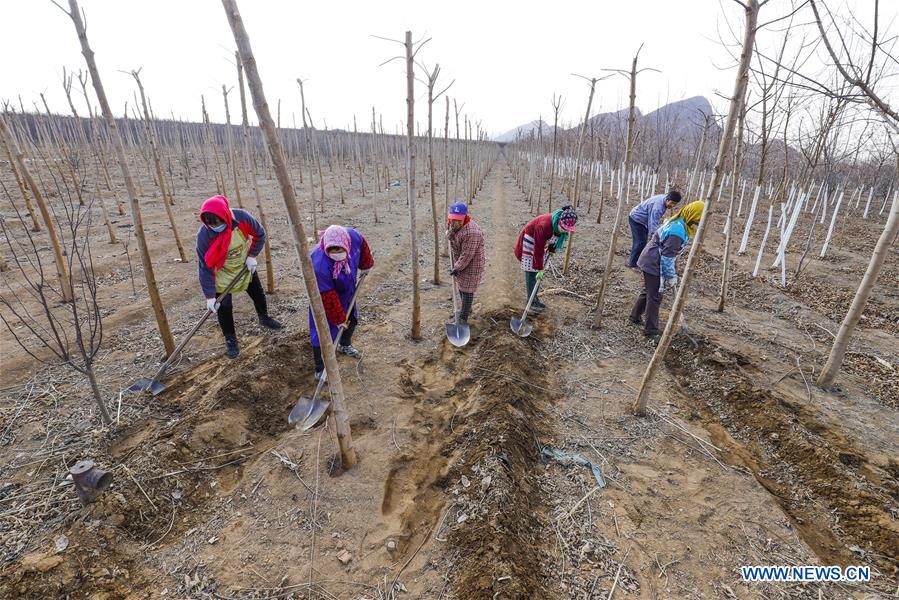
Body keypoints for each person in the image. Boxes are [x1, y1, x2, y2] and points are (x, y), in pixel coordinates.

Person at [197, 195, 282, 359]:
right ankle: (230, 339)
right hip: (222, 272)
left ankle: (264, 318)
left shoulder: (241, 218)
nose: (215, 227)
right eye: (211, 225)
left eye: (218, 223)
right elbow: (204, 267)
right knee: (224, 307)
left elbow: (260, 234)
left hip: (244, 265)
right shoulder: (204, 235)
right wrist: (209, 296)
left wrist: (252, 255)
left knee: (257, 293)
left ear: (225, 215)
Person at [630, 200, 705, 341]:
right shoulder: (677, 232)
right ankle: (650, 331)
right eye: (700, 217)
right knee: (655, 296)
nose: (701, 221)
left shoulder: (680, 222)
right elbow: (666, 258)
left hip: (650, 258)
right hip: (653, 263)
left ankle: (635, 316)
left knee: (648, 291)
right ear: (693, 214)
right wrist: (671, 276)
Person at [310, 224, 374, 381]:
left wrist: (366, 264)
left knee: (351, 320)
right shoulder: (319, 264)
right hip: (325, 299)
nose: (336, 254)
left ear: (346, 244)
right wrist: (339, 319)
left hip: (347, 291)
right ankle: (321, 368)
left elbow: (363, 245)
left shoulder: (352, 236)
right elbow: (327, 296)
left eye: (340, 250)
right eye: (332, 251)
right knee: (323, 333)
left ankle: (344, 344)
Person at [513, 205, 577, 312]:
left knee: (537, 273)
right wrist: (540, 268)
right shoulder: (544, 226)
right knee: (531, 271)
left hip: (542, 240)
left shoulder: (559, 226)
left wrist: (552, 249)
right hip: (531, 238)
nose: (565, 231)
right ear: (559, 222)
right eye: (564, 228)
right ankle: (531, 302)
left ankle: (535, 299)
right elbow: (538, 249)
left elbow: (555, 238)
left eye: (567, 229)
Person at [447, 202, 486, 324]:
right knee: (461, 286)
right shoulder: (453, 224)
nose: (455, 223)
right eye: (453, 219)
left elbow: (467, 255)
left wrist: (457, 267)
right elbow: (452, 232)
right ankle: (466, 309)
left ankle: (463, 318)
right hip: (461, 262)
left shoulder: (472, 232)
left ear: (465, 217)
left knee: (468, 289)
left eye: (458, 220)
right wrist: (450, 233)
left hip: (472, 264)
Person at [627, 189, 682, 268]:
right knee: (640, 242)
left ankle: (637, 258)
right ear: (667, 199)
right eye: (672, 203)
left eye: (675, 204)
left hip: (643, 220)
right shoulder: (658, 207)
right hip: (637, 219)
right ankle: (632, 264)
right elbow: (652, 222)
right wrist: (654, 236)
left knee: (642, 241)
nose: (673, 206)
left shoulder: (664, 198)